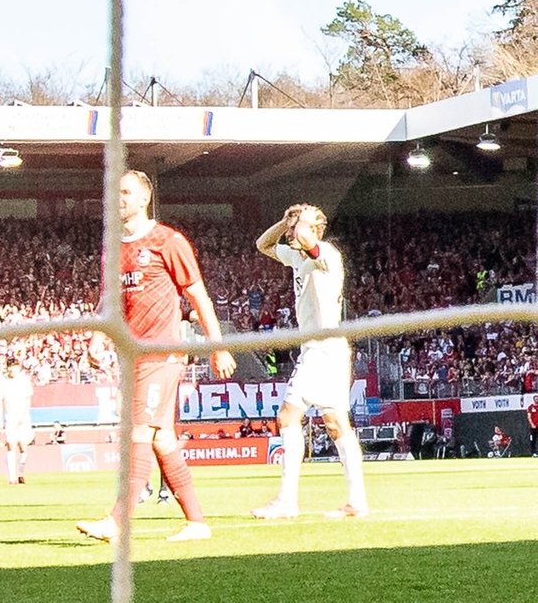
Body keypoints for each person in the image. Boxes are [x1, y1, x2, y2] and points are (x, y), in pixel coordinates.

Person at [77, 170, 236, 544]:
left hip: (161, 352)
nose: (119, 198)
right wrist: (98, 337)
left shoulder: (168, 241)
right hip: (133, 357)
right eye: (115, 192)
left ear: (144, 198)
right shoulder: (113, 248)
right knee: (163, 439)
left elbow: (198, 296)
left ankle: (116, 522)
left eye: (127, 192)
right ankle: (197, 522)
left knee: (139, 433)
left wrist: (218, 346)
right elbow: (110, 302)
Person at [251, 204, 369, 521]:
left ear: (316, 230)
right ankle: (356, 501)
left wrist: (302, 220)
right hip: (322, 349)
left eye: (298, 227)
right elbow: (262, 245)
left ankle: (287, 501)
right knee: (335, 424)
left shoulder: (325, 254)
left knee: (288, 416)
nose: (292, 232)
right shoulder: (297, 258)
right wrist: (284, 221)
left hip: (323, 348)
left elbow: (305, 235)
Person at [0, 359, 34, 485]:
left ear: (18, 368)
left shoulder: (24, 380)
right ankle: (12, 478)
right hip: (10, 418)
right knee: (11, 445)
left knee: (23, 446)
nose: (12, 369)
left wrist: (25, 415)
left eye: (15, 367)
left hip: (23, 418)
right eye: (10, 367)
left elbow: (28, 399)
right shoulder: (2, 381)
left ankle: (21, 473)